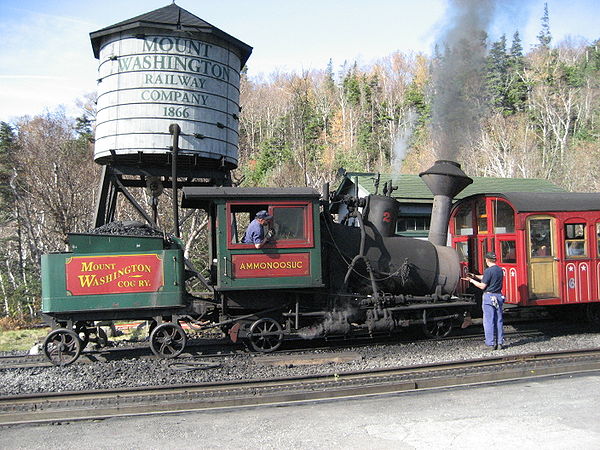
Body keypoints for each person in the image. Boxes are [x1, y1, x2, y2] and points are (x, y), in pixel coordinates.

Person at [462, 252, 505, 350]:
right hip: (498, 296)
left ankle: (490, 343)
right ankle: (499, 343)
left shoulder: (488, 271)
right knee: (498, 320)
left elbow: (482, 286)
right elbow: (486, 277)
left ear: (486, 260)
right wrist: (475, 276)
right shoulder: (499, 270)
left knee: (488, 321)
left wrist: (471, 281)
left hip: (489, 297)